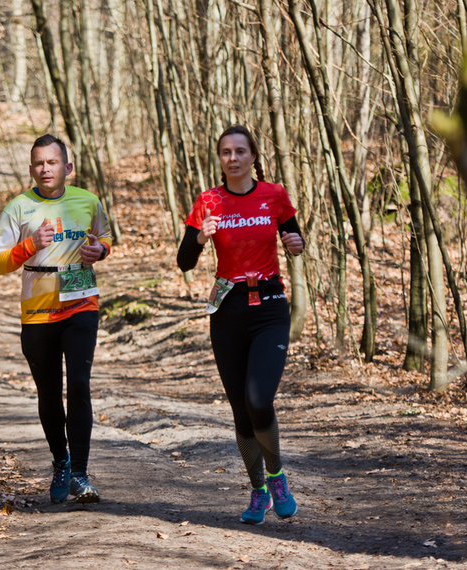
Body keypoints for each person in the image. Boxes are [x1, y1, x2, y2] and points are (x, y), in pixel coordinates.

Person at [176, 124, 305, 525]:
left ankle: (276, 475)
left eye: (239, 151)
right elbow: (183, 261)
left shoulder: (274, 195)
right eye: (225, 153)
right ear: (220, 159)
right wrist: (200, 238)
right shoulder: (209, 202)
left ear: (253, 156)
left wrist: (296, 243)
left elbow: (292, 234)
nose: (232, 158)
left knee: (259, 400)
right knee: (239, 412)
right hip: (228, 310)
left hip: (268, 306)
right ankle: (257, 492)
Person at [0, 134, 112, 504]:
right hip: (38, 310)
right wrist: (30, 245)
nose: (45, 168)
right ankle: (61, 460)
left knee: (79, 384)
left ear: (67, 168)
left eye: (52, 162)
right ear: (31, 169)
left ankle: (80, 474)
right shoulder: (18, 208)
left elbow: (104, 237)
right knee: (48, 392)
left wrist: (99, 250)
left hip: (81, 302)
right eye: (39, 163)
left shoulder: (88, 201)